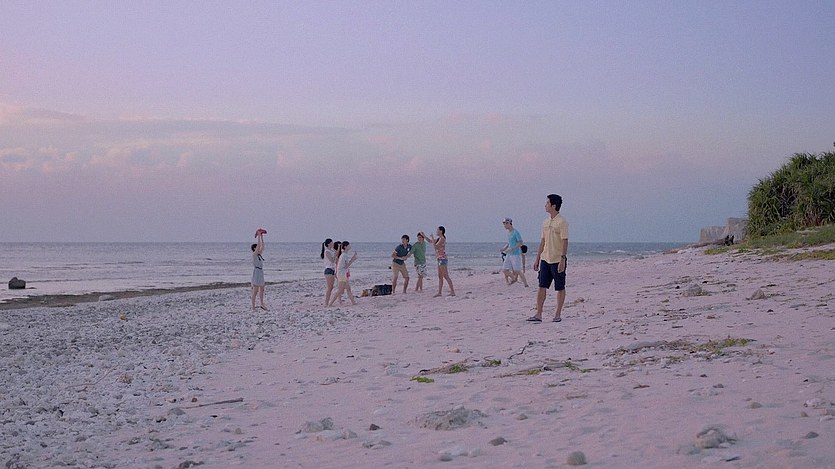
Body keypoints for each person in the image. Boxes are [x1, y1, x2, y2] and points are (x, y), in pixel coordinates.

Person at [529, 194, 569, 323]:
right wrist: (537, 259)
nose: (545, 205)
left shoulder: (562, 222)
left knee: (560, 287)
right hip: (545, 258)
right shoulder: (545, 222)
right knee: (542, 286)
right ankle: (538, 314)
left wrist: (562, 259)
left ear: (553, 206)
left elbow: (565, 241)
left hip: (557, 259)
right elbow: (543, 241)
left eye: (547, 203)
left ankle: (557, 314)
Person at [424, 226, 455, 297]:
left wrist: (432, 237)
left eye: (437, 230)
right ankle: (439, 292)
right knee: (440, 276)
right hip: (439, 259)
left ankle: (452, 291)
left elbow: (435, 247)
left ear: (441, 231)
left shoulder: (442, 239)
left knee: (446, 276)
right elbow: (430, 241)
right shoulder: (439, 239)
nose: (436, 231)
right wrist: (424, 235)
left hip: (442, 259)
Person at [500, 217, 528, 287]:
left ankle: (526, 284)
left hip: (515, 254)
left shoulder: (515, 232)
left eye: (506, 223)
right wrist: (504, 248)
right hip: (509, 254)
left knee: (517, 270)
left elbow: (520, 242)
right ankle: (514, 279)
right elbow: (509, 243)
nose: (505, 225)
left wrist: (513, 248)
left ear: (510, 223)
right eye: (504, 224)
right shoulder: (508, 233)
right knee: (504, 269)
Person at [329, 241, 358, 306]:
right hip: (342, 274)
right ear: (345, 247)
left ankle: (353, 302)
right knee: (340, 290)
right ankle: (330, 304)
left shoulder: (344, 254)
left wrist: (353, 258)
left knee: (348, 289)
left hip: (342, 274)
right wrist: (353, 259)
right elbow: (346, 266)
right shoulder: (344, 255)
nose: (350, 246)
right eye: (349, 245)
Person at [251, 229, 268, 311]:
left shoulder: (259, 255)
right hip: (257, 272)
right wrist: (258, 235)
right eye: (256, 248)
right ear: (254, 249)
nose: (258, 248)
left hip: (260, 272)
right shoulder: (254, 255)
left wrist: (261, 236)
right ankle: (253, 307)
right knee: (255, 291)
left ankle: (262, 303)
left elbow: (262, 246)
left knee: (262, 288)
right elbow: (258, 246)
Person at [321, 238, 336, 306]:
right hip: (328, 270)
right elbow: (332, 260)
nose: (333, 244)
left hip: (332, 270)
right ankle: (326, 303)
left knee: (331, 287)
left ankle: (328, 302)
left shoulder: (331, 251)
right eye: (332, 242)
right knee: (329, 288)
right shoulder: (327, 251)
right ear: (329, 244)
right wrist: (336, 253)